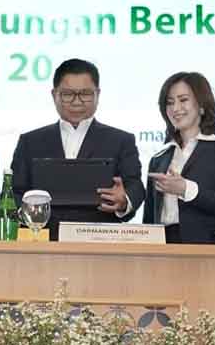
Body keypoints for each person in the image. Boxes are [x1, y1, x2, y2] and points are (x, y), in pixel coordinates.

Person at [10, 58, 144, 239]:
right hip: (43, 242)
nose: (76, 101)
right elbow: (15, 192)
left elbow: (135, 186)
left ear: (98, 94)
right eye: (67, 94)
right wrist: (28, 211)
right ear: (54, 95)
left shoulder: (121, 140)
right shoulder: (30, 142)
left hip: (100, 240)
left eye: (85, 94)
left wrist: (124, 200)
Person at [144, 72, 215, 243]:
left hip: (210, 245)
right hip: (165, 245)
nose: (175, 109)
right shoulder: (158, 159)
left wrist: (185, 189)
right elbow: (149, 219)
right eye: (170, 103)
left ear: (202, 105)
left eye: (183, 100)